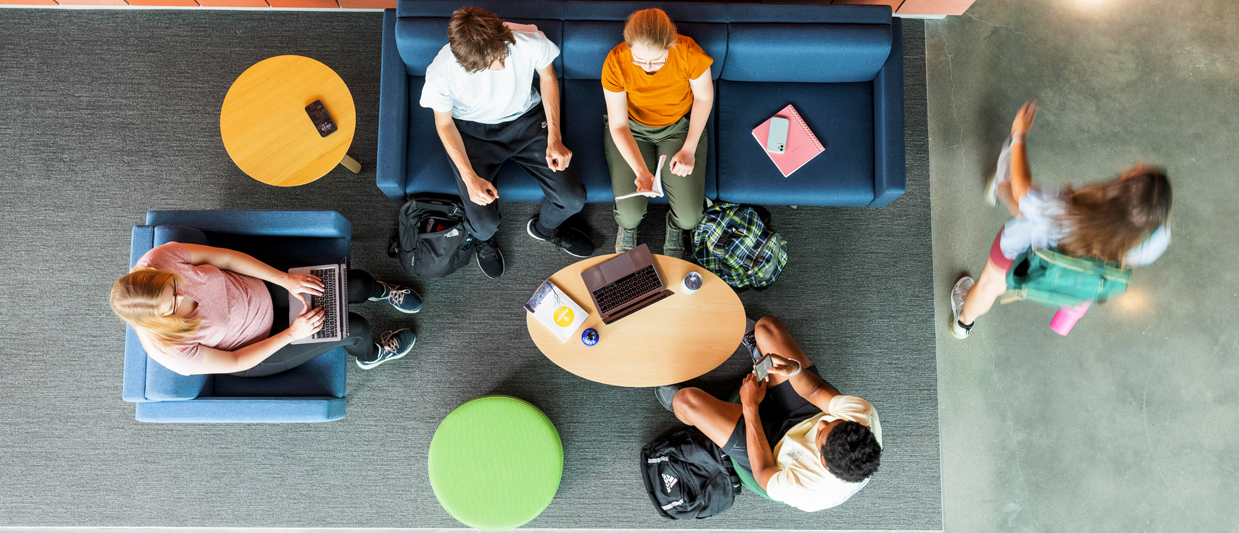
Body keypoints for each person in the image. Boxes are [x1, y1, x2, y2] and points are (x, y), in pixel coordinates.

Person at [950, 100, 1173, 339]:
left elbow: (1025, 193)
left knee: (987, 286)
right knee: (1037, 221)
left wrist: (1019, 136)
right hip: (1050, 267)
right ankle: (1001, 187)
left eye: (1135, 174)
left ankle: (964, 318)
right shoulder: (1158, 237)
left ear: (1122, 193)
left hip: (1019, 251)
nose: (1137, 164)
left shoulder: (1072, 210)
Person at [421, 6, 594, 280]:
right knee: (483, 221)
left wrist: (555, 137)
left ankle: (545, 230)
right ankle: (484, 241)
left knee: (573, 198)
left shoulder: (526, 40)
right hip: (473, 132)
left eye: (502, 54)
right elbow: (443, 124)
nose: (502, 65)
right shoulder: (442, 72)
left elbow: (547, 77)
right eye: (492, 64)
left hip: (525, 120)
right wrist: (469, 177)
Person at [655, 317, 883, 512]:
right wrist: (794, 371)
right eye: (835, 421)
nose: (823, 422)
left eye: (821, 433)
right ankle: (761, 361)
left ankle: (697, 415)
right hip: (807, 411)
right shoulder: (863, 418)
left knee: (685, 402)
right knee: (767, 328)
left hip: (772, 454)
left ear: (822, 460)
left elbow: (763, 471)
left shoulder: (806, 489)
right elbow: (815, 391)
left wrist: (750, 406)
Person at [111, 242, 422, 377]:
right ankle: (372, 356)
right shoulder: (168, 350)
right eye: (173, 305)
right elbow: (234, 361)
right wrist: (291, 334)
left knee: (357, 283)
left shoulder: (159, 259)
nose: (184, 296)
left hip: (261, 292)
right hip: (260, 349)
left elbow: (227, 260)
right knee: (356, 329)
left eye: (175, 287)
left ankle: (381, 291)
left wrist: (285, 280)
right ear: (158, 319)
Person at [603, 8, 714, 258]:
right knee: (628, 214)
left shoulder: (689, 53)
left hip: (677, 128)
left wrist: (689, 149)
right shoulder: (615, 60)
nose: (648, 68)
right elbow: (618, 125)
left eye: (657, 60)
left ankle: (674, 224)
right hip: (632, 129)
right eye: (640, 60)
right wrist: (642, 172)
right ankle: (629, 228)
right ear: (628, 47)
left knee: (690, 218)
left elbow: (704, 98)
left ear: (670, 45)